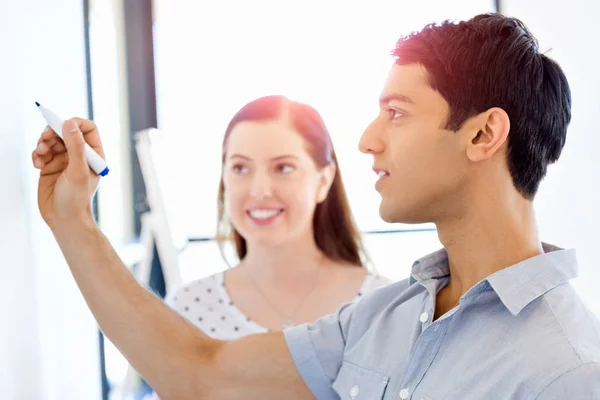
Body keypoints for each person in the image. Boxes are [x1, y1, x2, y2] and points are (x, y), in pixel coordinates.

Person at [31, 13, 599, 399]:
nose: (367, 140)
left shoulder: (570, 370)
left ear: (482, 136)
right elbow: (197, 371)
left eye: (396, 113)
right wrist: (72, 221)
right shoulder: (386, 316)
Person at [165, 95, 390, 339]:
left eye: (284, 168)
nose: (260, 191)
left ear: (323, 181)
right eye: (240, 168)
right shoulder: (188, 308)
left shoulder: (384, 306)